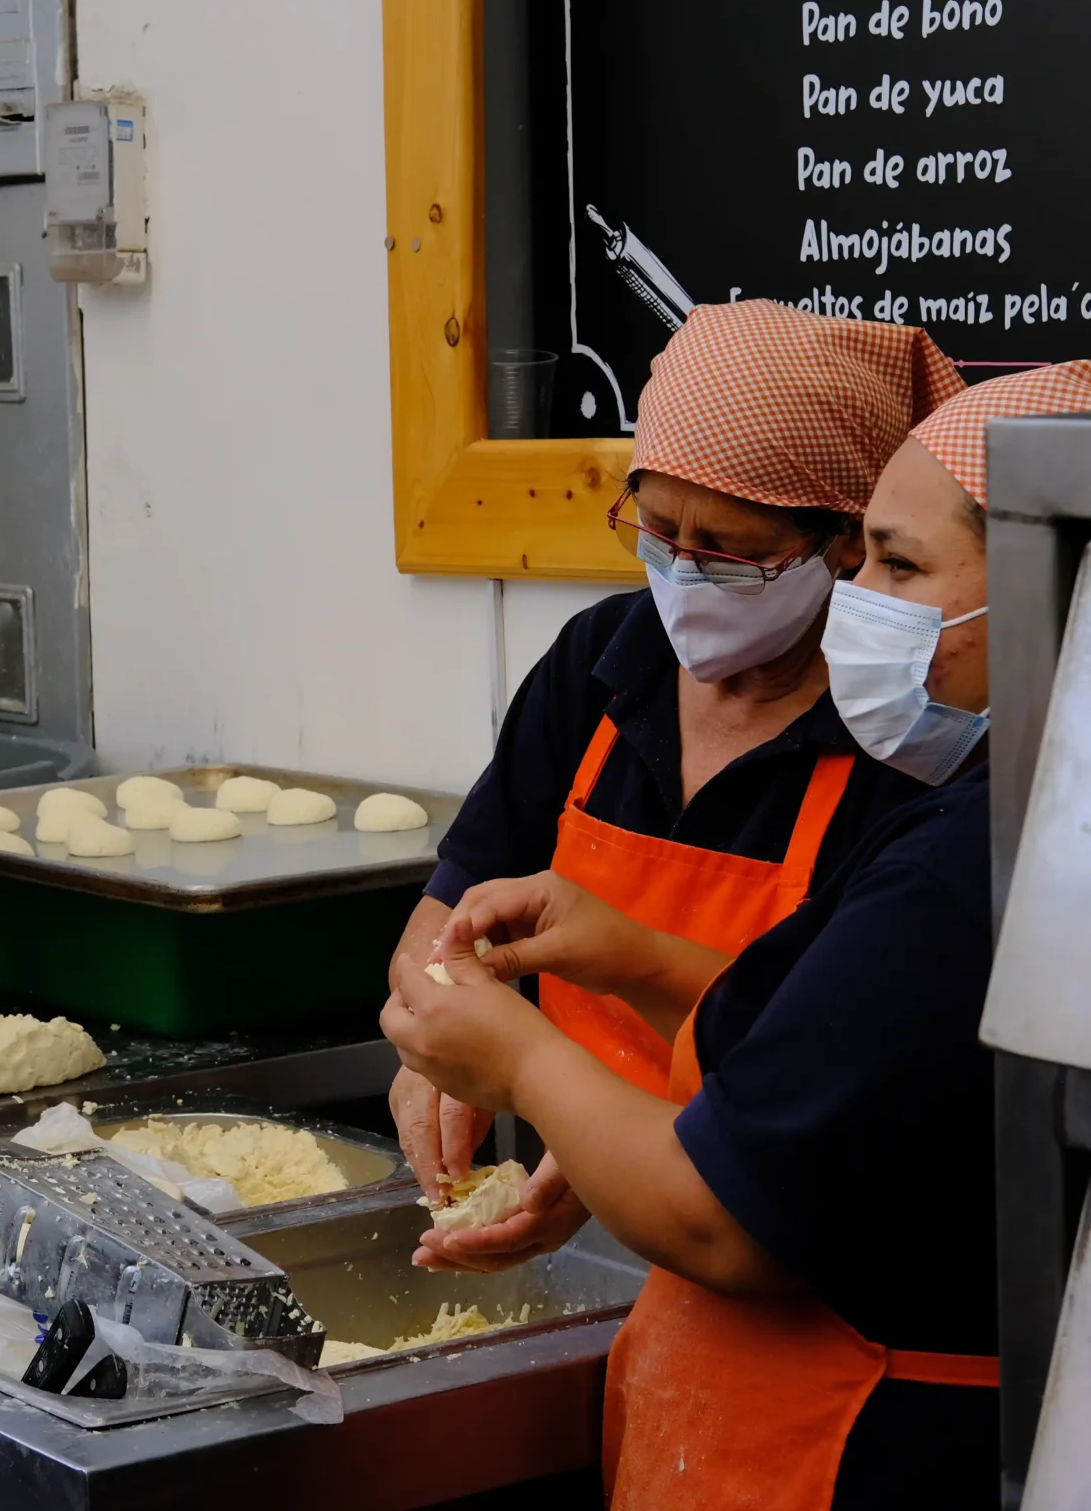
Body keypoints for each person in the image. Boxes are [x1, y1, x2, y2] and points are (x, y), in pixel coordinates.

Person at [383, 362, 1091, 1511]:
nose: (867, 599)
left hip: (871, 1436)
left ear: (1053, 580)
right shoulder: (1042, 804)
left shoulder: (969, 850)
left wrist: (527, 1068)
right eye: (658, 531)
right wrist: (634, 957)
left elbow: (726, 1215)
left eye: (893, 564)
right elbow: (837, 1044)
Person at [387, 301, 964, 1258]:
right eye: (658, 531)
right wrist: (437, 1044)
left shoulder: (905, 742)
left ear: (845, 541)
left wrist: (562, 1100)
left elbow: (822, 1061)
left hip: (770, 1238)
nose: (685, 576)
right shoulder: (600, 664)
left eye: (733, 553)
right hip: (574, 1229)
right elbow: (444, 917)